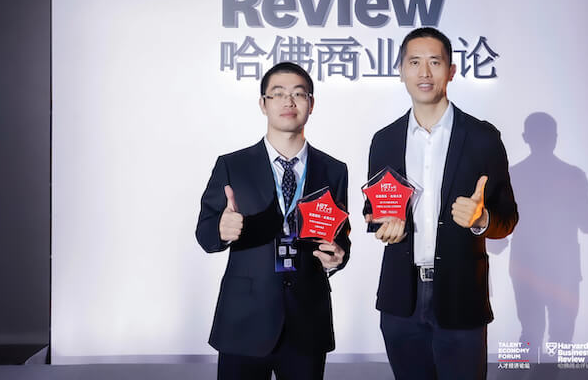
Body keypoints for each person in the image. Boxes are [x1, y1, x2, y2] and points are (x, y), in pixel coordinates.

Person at [364, 27, 518, 380]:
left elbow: (507, 218)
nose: (424, 72)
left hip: (461, 297)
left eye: (435, 62)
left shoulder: (482, 138)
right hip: (401, 300)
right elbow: (374, 209)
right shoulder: (384, 140)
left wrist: (481, 219)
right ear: (401, 71)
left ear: (451, 71)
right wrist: (382, 226)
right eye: (414, 62)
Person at [196, 62, 350, 380]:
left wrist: (338, 257)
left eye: (298, 94)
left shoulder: (334, 170)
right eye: (277, 94)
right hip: (244, 321)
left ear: (311, 103)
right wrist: (221, 231)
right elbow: (205, 232)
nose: (288, 101)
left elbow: (340, 236)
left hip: (307, 320)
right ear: (263, 104)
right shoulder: (232, 165)